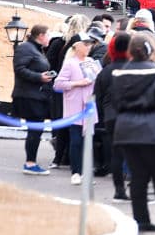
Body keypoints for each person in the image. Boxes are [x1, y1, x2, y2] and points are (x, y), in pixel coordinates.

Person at [110, 34, 155, 232]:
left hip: (128, 130)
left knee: (138, 178)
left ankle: (141, 220)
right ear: (150, 51)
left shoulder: (119, 74)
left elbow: (116, 102)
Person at [52, 32, 102, 185]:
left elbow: (98, 80)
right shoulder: (69, 63)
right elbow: (58, 84)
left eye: (89, 44)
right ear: (77, 46)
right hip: (74, 108)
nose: (88, 47)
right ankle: (76, 172)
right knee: (76, 141)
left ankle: (85, 172)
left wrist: (96, 79)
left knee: (88, 141)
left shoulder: (91, 61)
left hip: (88, 107)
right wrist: (77, 83)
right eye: (85, 44)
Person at [12, 24, 56, 174]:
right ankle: (30, 163)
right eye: (48, 35)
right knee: (34, 130)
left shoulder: (36, 50)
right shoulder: (25, 48)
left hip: (37, 95)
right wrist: (39, 77)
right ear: (41, 35)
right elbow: (19, 69)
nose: (49, 38)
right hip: (29, 96)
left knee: (36, 130)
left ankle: (31, 162)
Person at [93, 32, 132, 200]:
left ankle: (119, 190)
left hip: (111, 116)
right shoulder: (134, 69)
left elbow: (98, 97)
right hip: (131, 115)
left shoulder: (105, 71)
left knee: (117, 154)